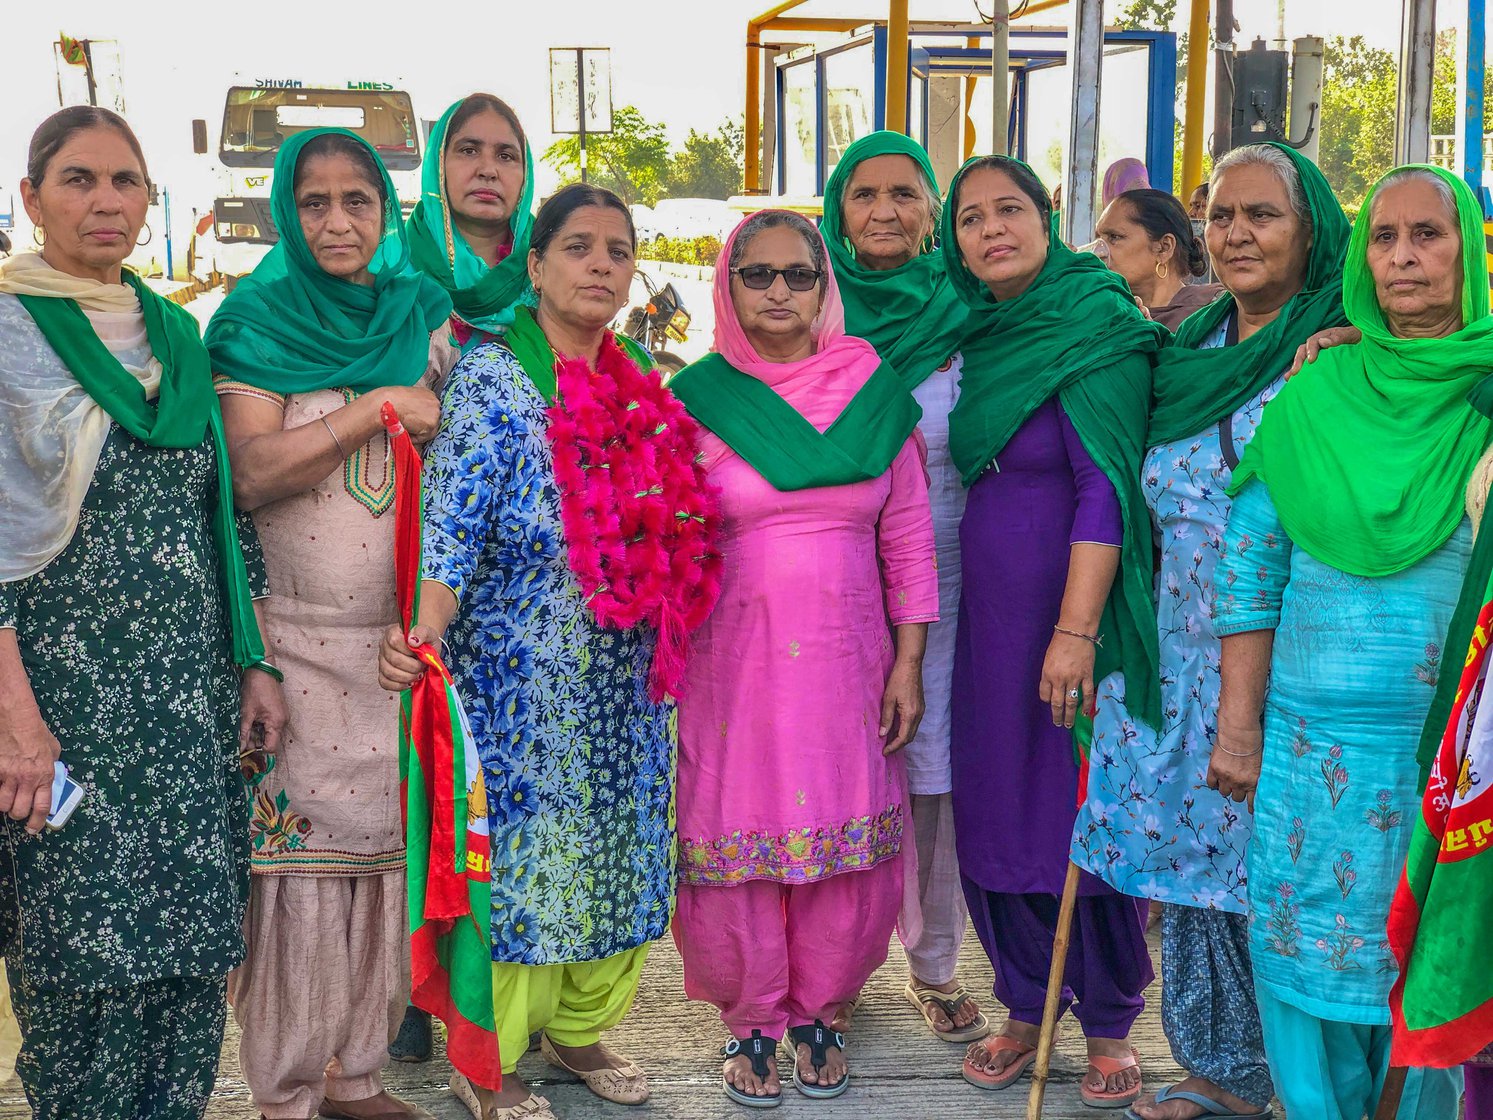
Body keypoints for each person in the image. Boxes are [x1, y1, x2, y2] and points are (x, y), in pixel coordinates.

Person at [378, 183, 719, 1120]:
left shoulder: (640, 374)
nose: (600, 265)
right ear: (534, 266)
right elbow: (452, 526)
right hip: (519, 684)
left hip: (624, 686)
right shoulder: (494, 378)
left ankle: (577, 1030)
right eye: (578, 247)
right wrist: (424, 628)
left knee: (614, 852)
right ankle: (489, 1058)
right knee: (524, 865)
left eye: (617, 249)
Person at [0, 106, 286, 1119]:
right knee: (78, 952)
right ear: (32, 199)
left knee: (186, 956)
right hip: (59, 711)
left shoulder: (176, 335)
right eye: (77, 180)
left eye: (125, 181)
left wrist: (253, 660)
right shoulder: (9, 331)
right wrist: (17, 722)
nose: (106, 201)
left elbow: (218, 512)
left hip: (186, 712)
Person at [1072, 142, 1351, 1120]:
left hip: (1295, 657)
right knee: (1194, 867)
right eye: (1219, 214)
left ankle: (1306, 1075)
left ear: (1309, 226)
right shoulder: (1185, 354)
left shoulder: (1342, 349)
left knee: (1282, 871)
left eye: (1261, 214)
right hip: (1174, 653)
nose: (1234, 233)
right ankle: (1219, 1067)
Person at [1210, 163, 1491, 1120]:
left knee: (1430, 956)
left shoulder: (1490, 395)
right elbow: (1249, 575)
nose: (1403, 256)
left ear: (1470, 253)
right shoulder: (1316, 391)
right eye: (1383, 237)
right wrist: (1236, 730)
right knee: (1304, 960)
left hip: (1451, 759)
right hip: (1304, 754)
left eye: (1428, 235)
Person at [207, 127, 454, 1120]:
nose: (339, 221)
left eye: (359, 199)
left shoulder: (420, 314)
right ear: (287, 213)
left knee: (375, 877)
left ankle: (355, 1077)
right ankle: (286, 1093)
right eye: (314, 203)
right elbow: (253, 474)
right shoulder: (255, 320)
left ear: (386, 209)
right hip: (290, 650)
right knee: (294, 883)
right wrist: (376, 409)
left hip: (393, 652)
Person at [667, 208, 936, 1107]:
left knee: (842, 828)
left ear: (827, 288)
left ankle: (821, 1009)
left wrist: (907, 663)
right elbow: (662, 539)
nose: (779, 292)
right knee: (738, 830)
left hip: (849, 660)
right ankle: (751, 1018)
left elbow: (906, 541)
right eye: (758, 275)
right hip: (731, 663)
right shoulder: (695, 400)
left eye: (799, 275)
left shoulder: (875, 395)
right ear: (728, 287)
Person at [943, 155, 1164, 1108]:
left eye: (1009, 210)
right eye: (969, 219)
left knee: (1079, 806)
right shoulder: (979, 333)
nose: (990, 230)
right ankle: (1026, 1002)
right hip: (989, 622)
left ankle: (1109, 1020)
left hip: (1076, 614)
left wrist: (1074, 632)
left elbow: (1103, 486)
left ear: (1046, 218)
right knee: (998, 805)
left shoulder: (1094, 324)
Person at [818, 130, 987, 1045]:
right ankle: (838, 965)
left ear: (931, 211)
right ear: (836, 209)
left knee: (932, 777)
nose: (883, 210)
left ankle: (932, 965)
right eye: (863, 194)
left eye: (904, 193)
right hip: (836, 579)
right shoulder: (810, 313)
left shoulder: (968, 312)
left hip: (956, 571)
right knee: (836, 768)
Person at [407, 93, 535, 359]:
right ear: (439, 163)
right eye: (468, 150)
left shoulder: (552, 263)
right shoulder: (391, 264)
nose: (488, 170)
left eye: (506, 155)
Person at [1093, 188, 1221, 329]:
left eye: (1114, 237)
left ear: (1164, 248)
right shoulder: (1105, 312)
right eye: (1098, 238)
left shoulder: (1210, 316)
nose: (1098, 251)